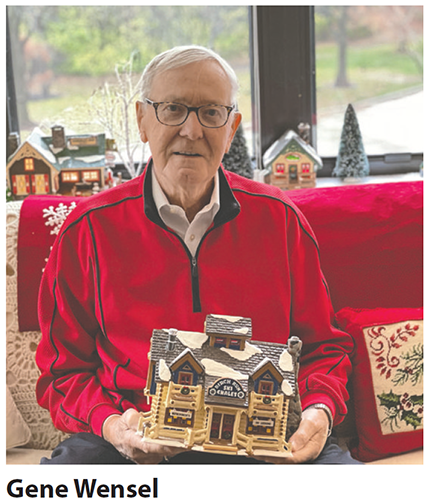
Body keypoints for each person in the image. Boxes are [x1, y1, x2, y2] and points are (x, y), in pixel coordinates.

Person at [36, 45, 359, 465]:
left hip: (266, 436)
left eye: (211, 113)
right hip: (128, 437)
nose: (191, 130)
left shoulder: (281, 221)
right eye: (172, 109)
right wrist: (113, 425)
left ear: (232, 127)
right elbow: (62, 374)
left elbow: (324, 349)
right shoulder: (87, 230)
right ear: (142, 120)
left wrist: (319, 413)